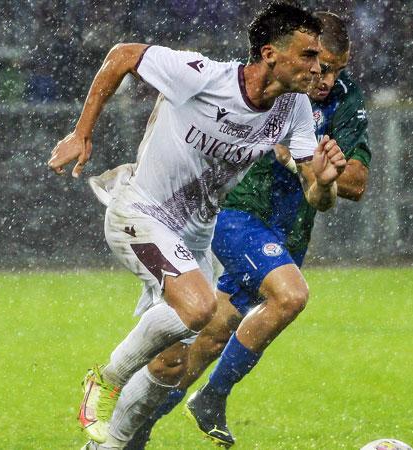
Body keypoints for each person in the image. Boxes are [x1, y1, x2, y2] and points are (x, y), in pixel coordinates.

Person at [48, 3, 347, 449]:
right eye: (307, 55)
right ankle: (106, 379)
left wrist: (324, 183)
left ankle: (107, 447)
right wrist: (82, 132)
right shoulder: (205, 77)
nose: (318, 67)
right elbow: (123, 55)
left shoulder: (295, 109)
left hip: (193, 238)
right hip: (140, 213)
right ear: (270, 54)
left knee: (170, 364)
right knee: (200, 308)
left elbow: (317, 198)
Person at [123, 11, 371, 449]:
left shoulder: (345, 99)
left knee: (210, 338)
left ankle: (135, 425)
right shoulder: (270, 87)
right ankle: (212, 397)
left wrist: (313, 170)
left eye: (337, 69)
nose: (326, 78)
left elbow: (355, 183)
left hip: (287, 229)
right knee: (290, 295)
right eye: (321, 65)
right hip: (238, 213)